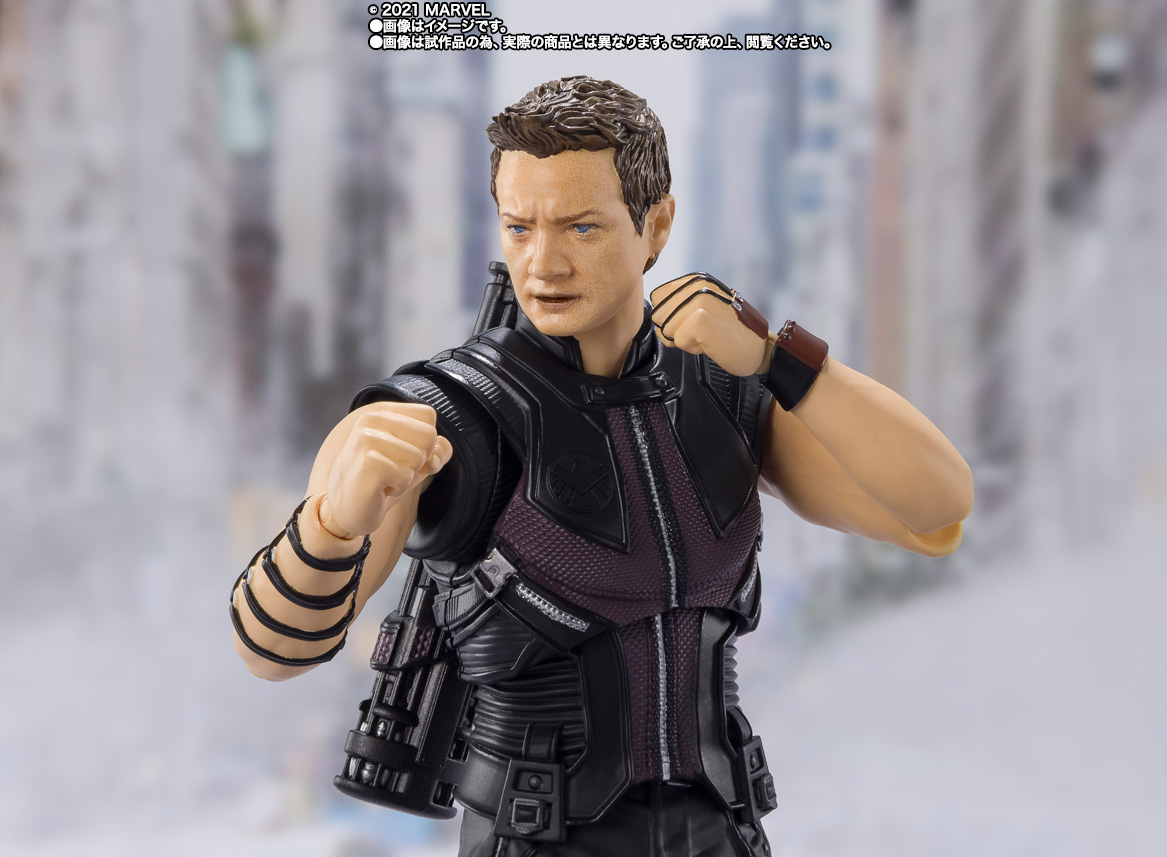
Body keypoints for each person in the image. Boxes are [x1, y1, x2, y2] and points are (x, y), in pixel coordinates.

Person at [230, 76, 973, 857]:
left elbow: (934, 510)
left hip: (721, 831)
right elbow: (271, 650)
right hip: (538, 837)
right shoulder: (445, 413)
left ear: (656, 226)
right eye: (519, 227)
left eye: (580, 227)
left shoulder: (723, 390)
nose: (543, 262)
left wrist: (776, 359)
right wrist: (329, 527)